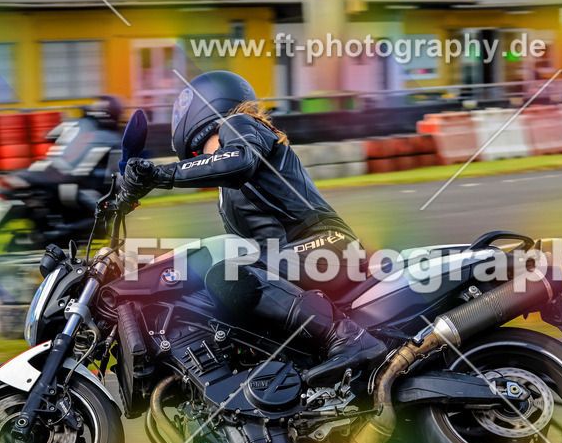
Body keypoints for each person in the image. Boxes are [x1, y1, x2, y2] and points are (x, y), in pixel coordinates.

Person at [119, 71, 386, 386]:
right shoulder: (227, 192)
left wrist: (158, 175)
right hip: (291, 260)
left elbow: (237, 161)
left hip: (328, 245)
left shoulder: (240, 126)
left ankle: (349, 338)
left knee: (227, 275)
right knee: (216, 288)